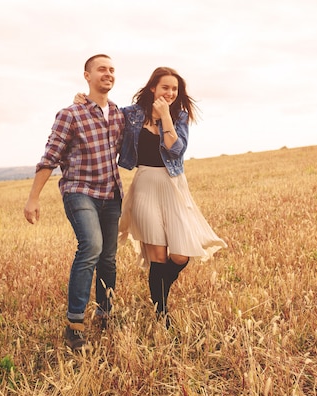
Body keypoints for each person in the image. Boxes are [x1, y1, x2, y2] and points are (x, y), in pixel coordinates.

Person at [76, 66, 226, 327]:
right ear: (153, 87)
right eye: (165, 87)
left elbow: (176, 149)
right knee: (157, 254)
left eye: (174, 89)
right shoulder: (132, 114)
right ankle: (162, 313)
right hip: (145, 184)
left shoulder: (178, 115)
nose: (170, 92)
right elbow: (105, 114)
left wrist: (166, 116)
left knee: (180, 256)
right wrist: (84, 100)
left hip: (173, 185)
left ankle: (160, 292)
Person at [24, 54, 124, 353]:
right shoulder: (70, 114)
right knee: (91, 247)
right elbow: (50, 156)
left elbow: (150, 112)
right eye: (101, 69)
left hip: (112, 193)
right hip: (79, 191)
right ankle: (74, 324)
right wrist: (33, 198)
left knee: (107, 258)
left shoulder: (119, 114)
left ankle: (106, 313)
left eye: (112, 70)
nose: (108, 74)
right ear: (87, 75)